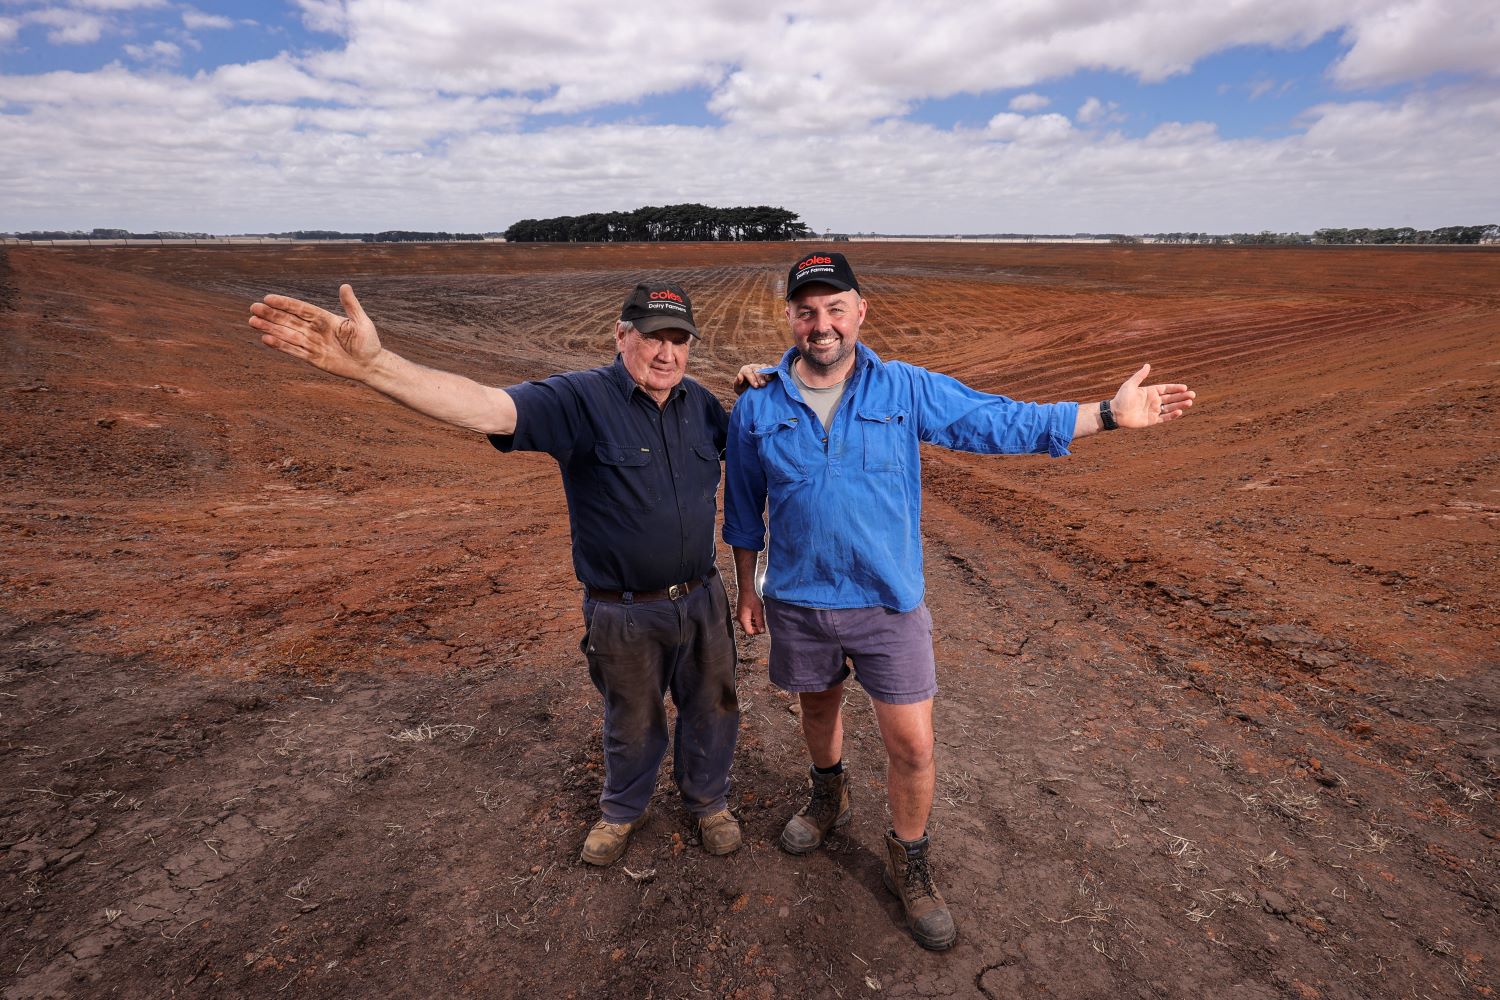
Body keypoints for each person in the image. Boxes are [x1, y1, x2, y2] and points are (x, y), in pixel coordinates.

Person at [723, 251, 1195, 950]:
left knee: (911, 744)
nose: (820, 324)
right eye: (806, 310)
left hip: (888, 604)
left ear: (860, 313)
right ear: (790, 318)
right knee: (817, 710)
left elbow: (994, 421)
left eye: (834, 309)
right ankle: (829, 798)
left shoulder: (904, 389)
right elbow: (741, 508)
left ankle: (910, 861)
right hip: (800, 599)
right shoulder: (757, 404)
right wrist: (745, 590)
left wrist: (1105, 415)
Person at [249, 280, 743, 865]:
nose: (667, 354)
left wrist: (769, 376)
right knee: (632, 720)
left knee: (712, 706)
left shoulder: (702, 405)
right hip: (625, 610)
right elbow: (487, 405)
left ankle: (709, 802)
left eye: (679, 340)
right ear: (621, 336)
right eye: (652, 338)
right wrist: (376, 366)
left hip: (702, 600)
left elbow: (759, 444)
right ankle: (622, 809)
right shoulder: (580, 400)